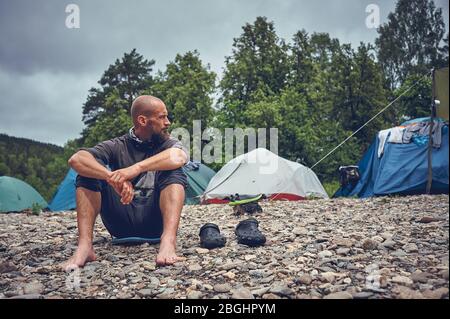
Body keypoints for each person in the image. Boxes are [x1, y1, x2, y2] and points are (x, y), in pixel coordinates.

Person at [62, 95, 188, 270]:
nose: (167, 122)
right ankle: (85, 246)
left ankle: (168, 242)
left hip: (155, 223)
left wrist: (134, 169)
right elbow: (77, 159)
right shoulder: (117, 145)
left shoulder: (167, 142)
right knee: (87, 172)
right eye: (161, 117)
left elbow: (179, 156)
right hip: (120, 222)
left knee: (175, 170)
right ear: (142, 120)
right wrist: (112, 178)